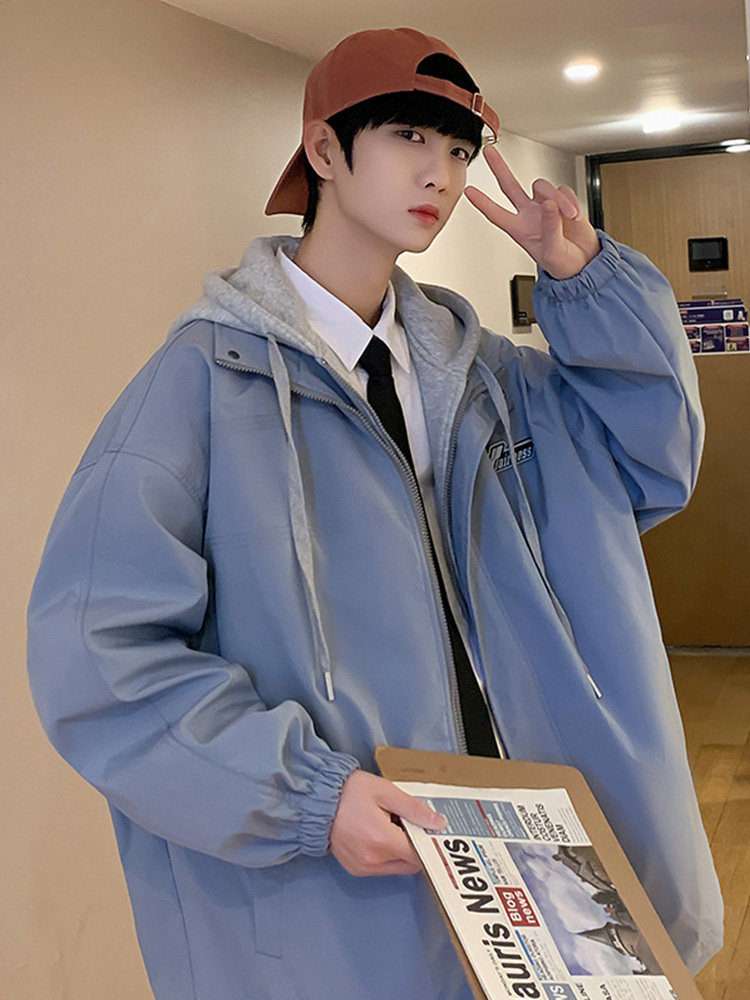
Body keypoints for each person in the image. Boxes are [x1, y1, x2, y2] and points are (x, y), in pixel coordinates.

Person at [26, 25, 723, 1000]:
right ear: (323, 150)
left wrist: (587, 280)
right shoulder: (200, 390)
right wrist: (306, 798)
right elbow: (97, 654)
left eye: (460, 149)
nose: (440, 172)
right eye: (409, 136)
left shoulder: (494, 382)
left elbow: (649, 465)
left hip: (550, 866)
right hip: (348, 897)